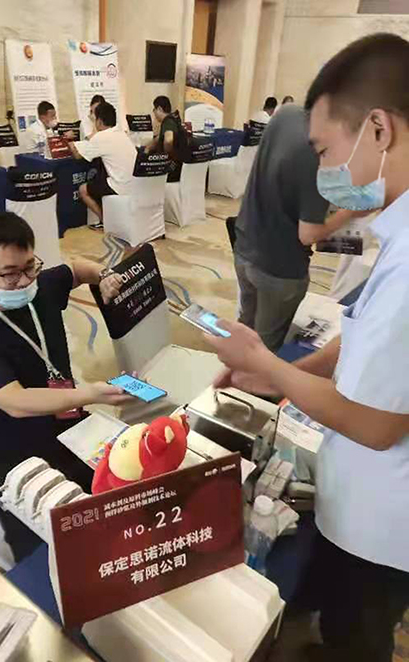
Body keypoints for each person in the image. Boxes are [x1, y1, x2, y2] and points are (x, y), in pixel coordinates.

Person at [205, 33, 409, 662]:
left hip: (385, 523)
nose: (323, 172)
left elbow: (377, 425)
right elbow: (370, 335)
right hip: (361, 499)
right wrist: (285, 373)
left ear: (378, 129)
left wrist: (267, 362)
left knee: (358, 634)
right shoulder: (397, 231)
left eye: (325, 151)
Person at [0, 213, 131, 561]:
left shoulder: (40, 288)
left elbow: (75, 269)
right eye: (10, 273)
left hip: (73, 429)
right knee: (59, 560)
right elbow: (14, 401)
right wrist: (91, 393)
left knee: (128, 512)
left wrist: (104, 275)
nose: (25, 280)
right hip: (18, 457)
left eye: (30, 266)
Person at [231, 104, 361, 351]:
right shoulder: (321, 153)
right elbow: (308, 234)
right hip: (280, 270)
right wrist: (350, 213)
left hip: (246, 250)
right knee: (263, 351)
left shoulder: (286, 114)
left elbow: (283, 181)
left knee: (244, 330)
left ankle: (233, 369)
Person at [69, 101, 137, 226]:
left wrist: (69, 142)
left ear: (99, 121)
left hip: (120, 186)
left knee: (83, 189)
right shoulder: (122, 133)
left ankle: (104, 221)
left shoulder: (101, 137)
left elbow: (78, 155)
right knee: (99, 181)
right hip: (135, 184)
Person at [148, 95, 187, 182]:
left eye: (154, 110)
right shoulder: (174, 119)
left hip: (172, 169)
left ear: (159, 109)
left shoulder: (168, 122)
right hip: (180, 167)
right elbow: (159, 138)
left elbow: (168, 140)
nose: (154, 113)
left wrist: (166, 157)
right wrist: (147, 148)